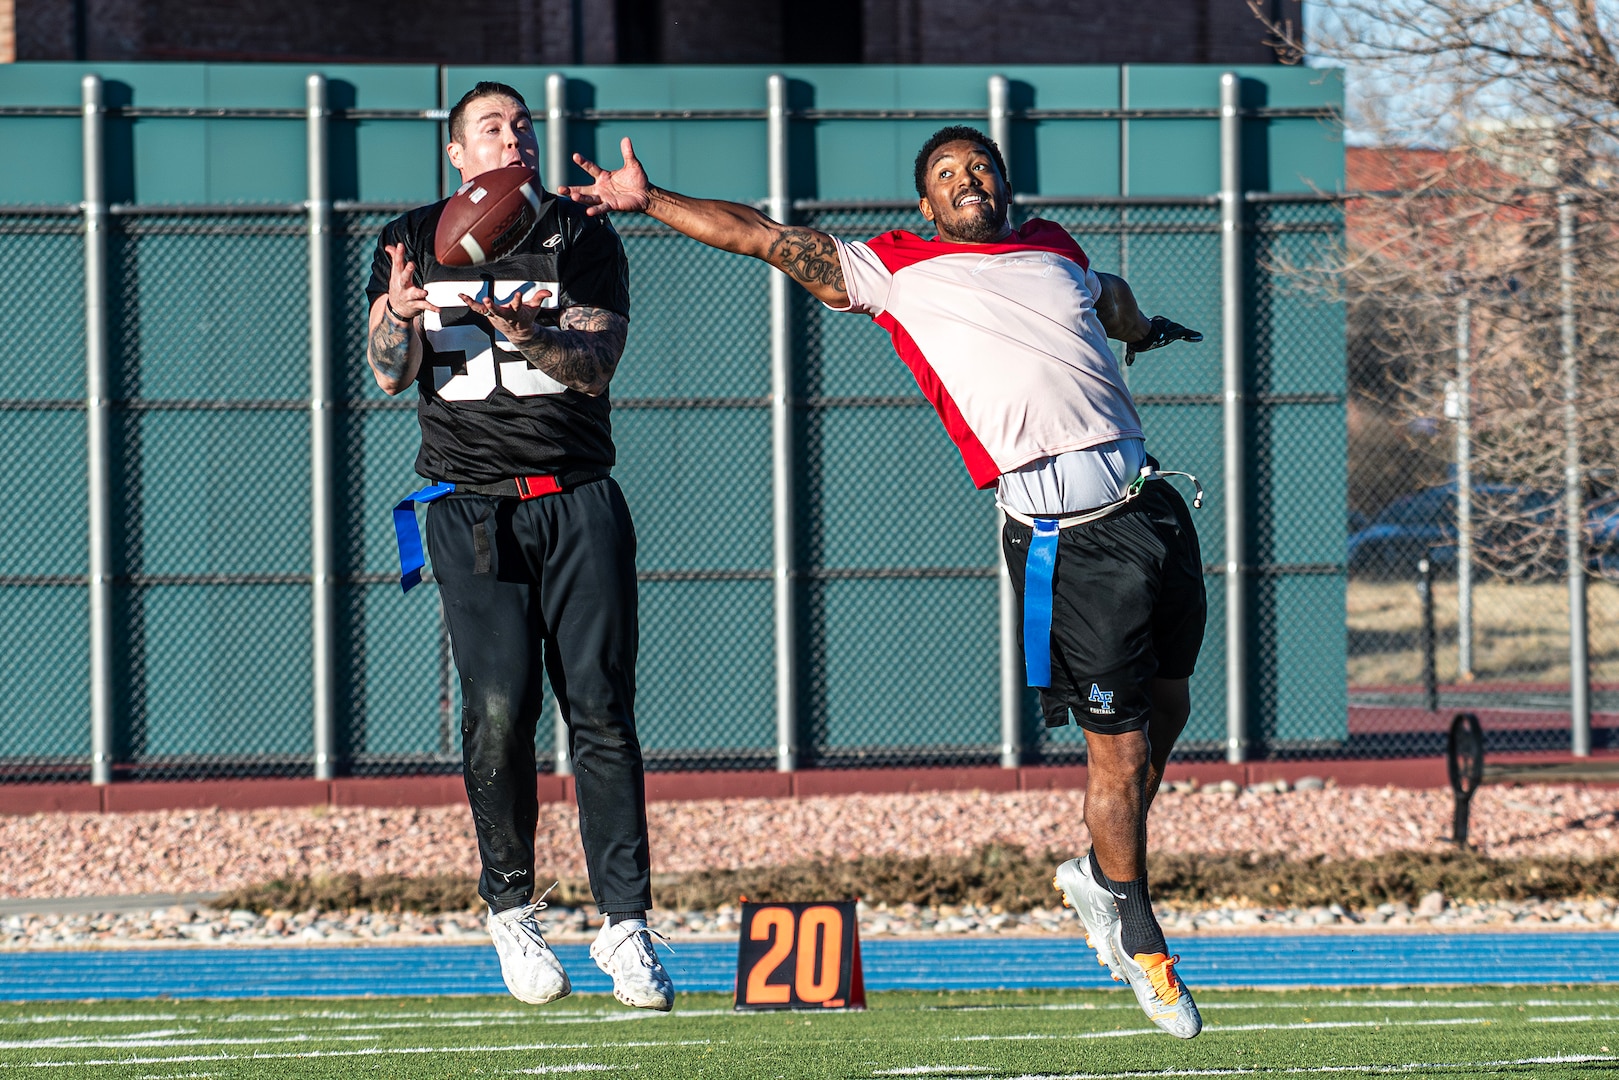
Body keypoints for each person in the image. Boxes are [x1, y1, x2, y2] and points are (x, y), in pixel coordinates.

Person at [561, 126, 1206, 1038]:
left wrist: (1140, 328)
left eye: (977, 165)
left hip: (1151, 511)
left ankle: (1098, 872)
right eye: (945, 174)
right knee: (1122, 748)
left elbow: (1111, 298)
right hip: (1070, 544)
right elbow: (759, 235)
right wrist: (650, 199)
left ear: (1005, 182)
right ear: (925, 207)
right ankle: (1137, 935)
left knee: (1170, 709)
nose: (965, 178)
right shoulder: (894, 268)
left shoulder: (1053, 244)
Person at [364, 81, 672, 1012]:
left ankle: (625, 924)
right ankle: (511, 908)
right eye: (492, 128)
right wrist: (398, 316)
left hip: (575, 497)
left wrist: (531, 333)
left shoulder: (582, 234)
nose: (514, 138)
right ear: (457, 153)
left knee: (602, 710)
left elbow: (595, 366)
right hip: (471, 508)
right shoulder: (411, 234)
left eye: (522, 125)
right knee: (499, 710)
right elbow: (387, 376)